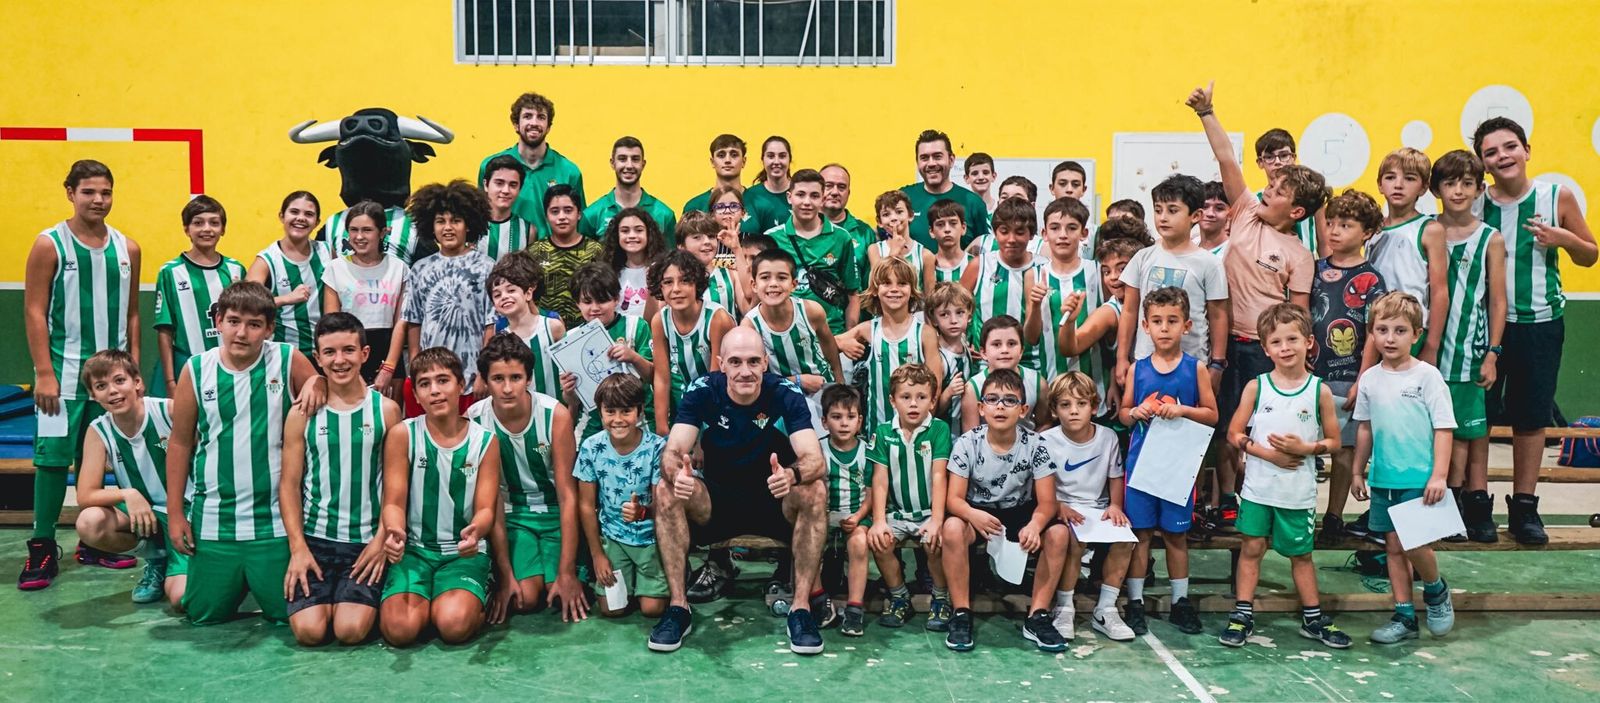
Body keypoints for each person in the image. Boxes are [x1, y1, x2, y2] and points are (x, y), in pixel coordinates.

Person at [647, 328, 831, 655]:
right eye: (735, 362)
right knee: (666, 489)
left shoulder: (786, 394)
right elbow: (672, 453)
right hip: (719, 504)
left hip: (773, 500)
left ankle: (800, 610)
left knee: (814, 490)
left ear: (765, 363)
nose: (745, 371)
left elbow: (816, 461)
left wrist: (792, 474)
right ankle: (678, 607)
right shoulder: (703, 391)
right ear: (721, 364)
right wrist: (679, 476)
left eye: (752, 362)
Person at [1190, 83, 1320, 527]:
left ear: (1297, 211)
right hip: (1222, 343)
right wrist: (1207, 112)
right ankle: (1224, 495)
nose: (1267, 189)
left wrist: (1289, 355)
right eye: (1269, 182)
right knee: (1221, 423)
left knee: (1255, 426)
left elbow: (1298, 315)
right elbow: (1228, 158)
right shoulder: (1244, 209)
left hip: (1260, 352)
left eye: (1279, 190)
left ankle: (1263, 497)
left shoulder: (1299, 256)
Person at [164, 281, 325, 625]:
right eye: (234, 321)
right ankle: (226, 580)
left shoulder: (286, 358)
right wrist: (176, 513)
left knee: (291, 616)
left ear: (269, 329)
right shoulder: (195, 369)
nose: (242, 333)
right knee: (201, 613)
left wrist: (317, 381)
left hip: (274, 521)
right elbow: (179, 442)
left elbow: (323, 386)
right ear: (218, 321)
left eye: (254, 325)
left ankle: (251, 581)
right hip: (214, 519)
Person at [1472, 116, 1598, 544]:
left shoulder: (1554, 195)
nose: (1502, 156)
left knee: (1530, 419)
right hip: (1482, 328)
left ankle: (1524, 507)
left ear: (1527, 151)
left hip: (1540, 325)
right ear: (1483, 164)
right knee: (1479, 419)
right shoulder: (1474, 202)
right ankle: (1476, 503)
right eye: (1491, 152)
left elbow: (1590, 256)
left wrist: (1564, 239)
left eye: (1509, 147)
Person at [22, 159, 144, 590]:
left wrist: (134, 371)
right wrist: (43, 373)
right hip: (62, 375)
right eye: (89, 191)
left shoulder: (128, 248)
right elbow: (35, 311)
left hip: (111, 381)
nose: (98, 200)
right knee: (53, 461)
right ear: (70, 192)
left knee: (102, 462)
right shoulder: (49, 244)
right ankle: (41, 546)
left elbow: (132, 315)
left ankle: (95, 544)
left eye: (105, 192)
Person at [1220, 304, 1350, 649]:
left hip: (1297, 493)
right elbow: (1234, 433)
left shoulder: (1319, 390)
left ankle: (1312, 617)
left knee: (1301, 556)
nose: (1285, 347)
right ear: (1265, 348)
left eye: (1292, 339)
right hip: (1259, 490)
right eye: (1276, 342)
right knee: (1252, 549)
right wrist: (1267, 454)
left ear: (1308, 341)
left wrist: (1304, 449)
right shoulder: (1256, 387)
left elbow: (1335, 443)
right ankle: (1243, 613)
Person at [280, 313, 402, 645]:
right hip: (315, 542)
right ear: (317, 358)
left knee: (350, 631)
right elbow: (289, 485)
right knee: (310, 632)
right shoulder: (301, 413)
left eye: (348, 350)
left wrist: (380, 541)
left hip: (365, 542)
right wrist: (298, 548)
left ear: (364, 354)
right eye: (329, 352)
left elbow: (396, 487)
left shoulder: (387, 411)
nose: (339, 360)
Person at [1351, 292, 1457, 644]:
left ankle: (1436, 589)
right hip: (1384, 478)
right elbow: (1364, 428)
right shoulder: (1369, 379)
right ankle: (1404, 615)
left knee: (1415, 545)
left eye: (1399, 330)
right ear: (1372, 333)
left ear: (1416, 334)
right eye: (1382, 329)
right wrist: (1357, 470)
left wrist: (1439, 474)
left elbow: (1443, 428)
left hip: (1419, 477)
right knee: (1393, 548)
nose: (1390, 338)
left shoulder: (1428, 377)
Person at [378, 347, 502, 646]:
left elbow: (486, 508)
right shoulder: (403, 434)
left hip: (462, 554)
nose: (435, 390)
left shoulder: (485, 441)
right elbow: (393, 501)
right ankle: (431, 601)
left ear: (462, 385)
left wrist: (477, 531)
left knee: (454, 625)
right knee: (399, 631)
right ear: (416, 395)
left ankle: (468, 596)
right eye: (424, 383)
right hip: (416, 550)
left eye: (443, 380)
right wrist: (394, 531)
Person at [1114, 287, 1218, 637]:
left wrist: (1183, 409)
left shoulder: (1196, 369)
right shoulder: (1137, 369)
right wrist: (1136, 411)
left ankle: (1180, 602)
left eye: (1172, 321)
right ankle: (1136, 602)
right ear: (1145, 326)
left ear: (1186, 325)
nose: (1164, 328)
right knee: (1140, 535)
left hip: (1177, 469)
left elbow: (1212, 415)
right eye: (1157, 321)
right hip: (1141, 467)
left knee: (1176, 537)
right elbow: (1124, 414)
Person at [942, 368, 1069, 652]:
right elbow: (954, 499)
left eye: (1010, 400)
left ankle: (1038, 615)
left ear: (1023, 409)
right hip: (979, 512)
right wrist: (972, 515)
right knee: (951, 528)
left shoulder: (1036, 444)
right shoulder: (967, 443)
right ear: (981, 408)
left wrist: (1036, 525)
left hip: (1020, 512)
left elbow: (1048, 502)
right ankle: (961, 612)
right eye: (993, 399)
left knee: (1059, 533)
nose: (1000, 406)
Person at [467, 334, 584, 622]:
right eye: (498, 379)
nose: (507, 388)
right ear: (485, 380)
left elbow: (568, 494)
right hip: (512, 515)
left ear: (529, 378)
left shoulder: (554, 414)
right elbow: (489, 497)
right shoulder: (474, 419)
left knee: (555, 592)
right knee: (526, 599)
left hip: (556, 514)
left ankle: (575, 566)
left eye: (516, 377)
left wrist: (567, 572)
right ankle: (498, 575)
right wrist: (505, 575)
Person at [1429, 151, 1508, 543]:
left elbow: (1497, 300)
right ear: (1437, 189)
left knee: (1460, 435)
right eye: (1449, 183)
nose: (1458, 191)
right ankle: (1425, 513)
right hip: (1426, 350)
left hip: (1466, 353)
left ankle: (1454, 508)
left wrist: (1493, 352)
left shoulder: (1489, 238)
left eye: (1466, 183)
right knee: (1428, 433)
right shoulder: (1428, 230)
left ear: (1480, 188)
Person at [72, 350, 190, 606]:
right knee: (90, 522)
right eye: (101, 386)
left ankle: (191, 562)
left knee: (182, 600)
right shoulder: (99, 430)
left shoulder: (167, 411)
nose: (112, 391)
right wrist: (129, 493)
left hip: (186, 513)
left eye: (119, 381)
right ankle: (157, 560)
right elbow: (85, 495)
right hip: (144, 515)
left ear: (138, 382)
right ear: (93, 395)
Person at [1310, 190, 1387, 543]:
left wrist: (1363, 378)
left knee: (1344, 450)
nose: (1335, 231)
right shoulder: (1314, 270)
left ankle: (1334, 516)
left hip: (1349, 376)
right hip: (1311, 375)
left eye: (1346, 225)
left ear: (1367, 232)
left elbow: (1374, 332)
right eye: (1331, 223)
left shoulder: (1372, 279)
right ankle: (1302, 513)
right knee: (1310, 446)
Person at [1037, 372, 1134, 642]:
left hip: (1098, 507)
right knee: (1073, 540)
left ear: (1094, 406)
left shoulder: (1108, 438)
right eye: (1065, 405)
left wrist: (1115, 505)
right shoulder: (1047, 441)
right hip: (1063, 509)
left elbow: (1115, 477)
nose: (1074, 411)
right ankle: (1065, 607)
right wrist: (1058, 506)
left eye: (1081, 404)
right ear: (1055, 411)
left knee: (1125, 539)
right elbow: (1041, 486)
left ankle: (1106, 609)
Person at [866, 364, 952, 634]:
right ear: (892, 400)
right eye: (905, 397)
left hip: (929, 511)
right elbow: (879, 480)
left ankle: (940, 597)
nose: (914, 404)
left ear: (933, 400)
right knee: (879, 541)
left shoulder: (939, 429)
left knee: (933, 542)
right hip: (898, 513)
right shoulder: (883, 433)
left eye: (922, 397)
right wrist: (879, 521)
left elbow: (940, 476)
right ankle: (899, 595)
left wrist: (937, 519)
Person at [575, 373, 668, 619]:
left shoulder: (657, 448)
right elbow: (585, 505)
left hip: (650, 541)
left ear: (639, 412)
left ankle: (664, 575)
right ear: (600, 412)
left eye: (626, 411)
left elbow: (665, 506)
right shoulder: (590, 447)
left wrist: (643, 512)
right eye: (610, 411)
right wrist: (598, 555)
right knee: (612, 609)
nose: (618, 419)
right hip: (613, 539)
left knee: (652, 609)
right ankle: (634, 583)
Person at [401, 180, 496, 401]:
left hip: (473, 379)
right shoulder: (420, 269)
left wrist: (485, 372)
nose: (448, 228)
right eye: (440, 221)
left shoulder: (486, 267)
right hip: (431, 379)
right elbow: (414, 322)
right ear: (430, 226)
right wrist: (416, 367)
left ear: (469, 224)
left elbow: (490, 324)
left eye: (456, 221)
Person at [837, 257, 943, 435]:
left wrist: (924, 427)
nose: (894, 289)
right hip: (877, 431)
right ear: (875, 290)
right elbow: (824, 344)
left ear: (912, 290)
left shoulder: (924, 333)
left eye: (902, 283)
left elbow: (936, 386)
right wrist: (841, 343)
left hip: (917, 431)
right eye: (886, 283)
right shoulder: (867, 329)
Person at [155, 195, 247, 394]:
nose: (207, 229)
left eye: (214, 223)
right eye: (198, 223)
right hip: (186, 363)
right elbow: (164, 329)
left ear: (223, 229)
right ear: (187, 229)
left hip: (228, 366)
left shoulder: (236, 270)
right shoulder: (170, 272)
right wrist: (170, 381)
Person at [743, 248, 844, 428]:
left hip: (822, 390)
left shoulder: (811, 311)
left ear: (794, 284)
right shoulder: (750, 325)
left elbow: (830, 347)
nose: (773, 284)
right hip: (778, 396)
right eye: (765, 277)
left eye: (781, 278)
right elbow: (752, 376)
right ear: (753, 284)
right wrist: (797, 381)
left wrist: (839, 384)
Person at [1371, 148, 1449, 361]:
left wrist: (1431, 346)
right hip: (1374, 329)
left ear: (1423, 187)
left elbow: (1440, 291)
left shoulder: (1430, 229)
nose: (1398, 185)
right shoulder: (1371, 229)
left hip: (1409, 331)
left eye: (1409, 178)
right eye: (1390, 177)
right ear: (1379, 184)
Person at [322, 200, 409, 388]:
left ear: (383, 232)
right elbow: (331, 325)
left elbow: (400, 323)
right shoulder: (334, 269)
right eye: (353, 230)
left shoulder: (398, 268)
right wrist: (348, 366)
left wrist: (389, 368)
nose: (359, 236)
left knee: (389, 415)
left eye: (367, 230)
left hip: (389, 357)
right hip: (347, 355)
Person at [768, 169, 862, 335]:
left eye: (814, 196)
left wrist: (849, 334)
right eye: (801, 195)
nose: (807, 202)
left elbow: (853, 293)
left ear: (823, 199)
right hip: (786, 335)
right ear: (789, 197)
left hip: (833, 335)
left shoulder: (841, 238)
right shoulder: (772, 238)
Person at [477, 92, 585, 238]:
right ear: (516, 125)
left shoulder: (570, 171)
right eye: (527, 116)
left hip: (552, 257)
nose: (534, 123)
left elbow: (579, 224)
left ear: (548, 127)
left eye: (541, 117)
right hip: (503, 253)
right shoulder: (491, 167)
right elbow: (479, 214)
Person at [1059, 236, 1144, 421]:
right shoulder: (1110, 311)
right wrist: (1069, 322)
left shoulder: (1153, 300)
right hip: (1131, 399)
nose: (1113, 277)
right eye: (1106, 271)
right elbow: (1070, 347)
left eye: (1122, 269)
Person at [651, 250, 736, 431]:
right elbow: (661, 378)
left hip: (724, 402)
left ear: (697, 284)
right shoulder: (660, 320)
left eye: (685, 281)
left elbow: (716, 381)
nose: (676, 289)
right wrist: (662, 427)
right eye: (668, 282)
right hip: (689, 400)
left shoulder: (717, 319)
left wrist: (705, 432)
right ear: (660, 287)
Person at [570, 262, 655, 440]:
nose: (594, 308)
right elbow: (572, 401)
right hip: (592, 426)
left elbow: (654, 376)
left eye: (602, 300)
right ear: (577, 303)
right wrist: (568, 390)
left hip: (641, 422)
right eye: (587, 302)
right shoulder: (571, 338)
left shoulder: (636, 326)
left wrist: (634, 358)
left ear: (616, 299)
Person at [249, 191, 329, 361]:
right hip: (284, 356)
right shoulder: (267, 260)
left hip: (325, 353)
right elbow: (247, 305)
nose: (301, 218)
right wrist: (286, 299)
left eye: (308, 214)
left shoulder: (327, 252)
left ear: (317, 222)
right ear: (281, 216)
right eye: (294, 212)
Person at [1026, 197, 1100, 380]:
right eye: (1055, 228)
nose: (1063, 234)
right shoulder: (1033, 275)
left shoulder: (1097, 271)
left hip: (1094, 381)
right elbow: (1031, 337)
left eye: (1072, 228)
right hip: (1050, 379)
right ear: (1044, 233)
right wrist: (1035, 306)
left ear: (1084, 233)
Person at [819, 385, 872, 637]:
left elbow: (873, 493)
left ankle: (854, 608)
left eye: (850, 417)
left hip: (857, 515)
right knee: (809, 542)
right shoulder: (818, 450)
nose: (844, 424)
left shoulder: (867, 452)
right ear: (824, 421)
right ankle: (813, 599)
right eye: (836, 417)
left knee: (859, 543)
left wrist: (859, 517)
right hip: (823, 516)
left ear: (859, 421)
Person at [962, 198, 1046, 350]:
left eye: (1019, 232)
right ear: (994, 232)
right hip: (984, 361)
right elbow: (958, 307)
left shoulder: (1044, 268)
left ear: (1032, 234)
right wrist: (962, 342)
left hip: (1031, 362)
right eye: (1004, 231)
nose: (1011, 239)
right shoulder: (979, 265)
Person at [487, 251, 565, 399]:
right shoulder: (499, 330)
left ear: (529, 290)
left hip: (554, 405)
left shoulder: (552, 324)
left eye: (511, 289)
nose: (505, 296)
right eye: (497, 294)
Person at [528, 184, 604, 329]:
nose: (562, 217)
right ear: (546, 216)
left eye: (568, 210)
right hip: (545, 330)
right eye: (555, 211)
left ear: (579, 214)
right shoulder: (534, 252)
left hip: (588, 329)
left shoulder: (596, 251)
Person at [902, 130, 990, 251]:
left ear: (951, 160)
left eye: (937, 156)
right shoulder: (904, 198)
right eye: (924, 158)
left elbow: (984, 249)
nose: (931, 163)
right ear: (917, 163)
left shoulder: (973, 203)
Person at [580, 136, 677, 241]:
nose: (629, 165)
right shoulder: (591, 215)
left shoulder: (664, 215)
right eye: (622, 159)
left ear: (643, 164)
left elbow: (671, 257)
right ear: (612, 163)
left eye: (635, 159)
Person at [962, 316, 1048, 432]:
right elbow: (971, 435)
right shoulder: (972, 388)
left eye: (1011, 344)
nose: (1004, 350)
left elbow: (1045, 424)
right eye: (996, 344)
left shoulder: (1038, 382)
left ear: (1021, 351)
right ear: (983, 352)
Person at [1248, 128, 1322, 255]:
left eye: (1284, 156)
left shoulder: (1313, 197)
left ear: (1294, 157)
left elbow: (1324, 245)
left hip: (1308, 268)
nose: (1277, 162)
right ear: (1260, 162)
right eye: (1269, 157)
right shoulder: (1254, 200)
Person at [682, 134, 761, 238]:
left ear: (744, 161)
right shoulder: (695, 206)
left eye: (734, 154)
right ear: (712, 162)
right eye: (721, 155)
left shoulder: (761, 204)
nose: (727, 160)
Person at [601, 207, 668, 318]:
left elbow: (659, 317)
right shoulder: (608, 272)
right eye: (625, 231)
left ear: (649, 233)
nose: (632, 235)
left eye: (639, 230)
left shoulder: (663, 269)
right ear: (617, 235)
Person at [928, 283, 976, 431]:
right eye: (944, 314)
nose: (953, 320)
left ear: (969, 315)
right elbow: (931, 410)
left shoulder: (964, 342)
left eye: (960, 312)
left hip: (965, 430)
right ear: (934, 319)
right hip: (945, 436)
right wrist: (948, 392)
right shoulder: (938, 358)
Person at [868, 190, 936, 292]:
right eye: (886, 214)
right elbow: (875, 288)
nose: (894, 218)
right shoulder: (875, 250)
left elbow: (930, 297)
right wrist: (893, 253)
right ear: (879, 222)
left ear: (911, 215)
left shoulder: (925, 255)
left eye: (899, 212)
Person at [820, 163, 878, 282]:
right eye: (828, 186)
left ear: (848, 193)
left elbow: (871, 283)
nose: (835, 192)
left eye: (841, 187)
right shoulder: (804, 228)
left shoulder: (864, 232)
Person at [680, 210, 743, 316]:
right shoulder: (672, 280)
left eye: (711, 236)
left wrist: (736, 248)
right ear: (681, 246)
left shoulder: (731, 275)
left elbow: (749, 309)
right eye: (697, 237)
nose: (707, 241)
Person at [479, 154, 533, 261]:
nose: (506, 190)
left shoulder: (528, 230)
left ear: (520, 189)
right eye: (499, 183)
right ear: (486, 185)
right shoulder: (468, 224)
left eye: (513, 185)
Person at [744, 136, 794, 233]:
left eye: (782, 156)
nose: (776, 161)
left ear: (789, 159)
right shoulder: (750, 196)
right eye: (770, 156)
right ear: (762, 159)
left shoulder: (801, 193)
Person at [929, 200, 973, 284]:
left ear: (963, 228)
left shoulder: (976, 265)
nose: (947, 229)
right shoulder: (925, 266)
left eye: (953, 223)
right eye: (940, 224)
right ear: (931, 231)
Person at [1196, 181, 1230, 258]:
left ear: (1230, 214)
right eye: (1205, 207)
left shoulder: (1234, 253)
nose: (1210, 214)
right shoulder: (1191, 244)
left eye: (1219, 208)